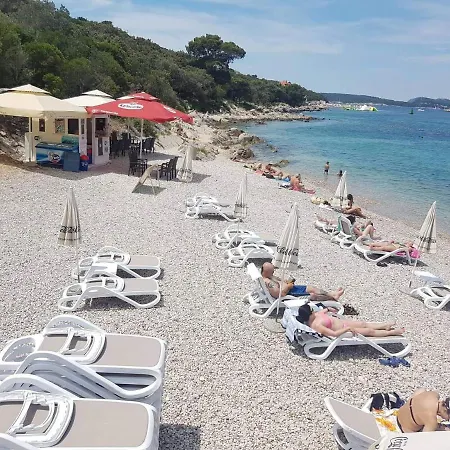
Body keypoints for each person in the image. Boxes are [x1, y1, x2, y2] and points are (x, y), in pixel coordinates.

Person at [296, 303, 405, 338]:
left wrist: (328, 309)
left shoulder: (315, 315)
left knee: (363, 323)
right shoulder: (316, 325)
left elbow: (323, 311)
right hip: (344, 330)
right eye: (311, 310)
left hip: (343, 323)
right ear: (309, 314)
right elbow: (334, 334)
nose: (314, 311)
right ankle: (392, 333)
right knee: (369, 332)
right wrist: (347, 329)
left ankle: (384, 325)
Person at [261, 262, 344, 300]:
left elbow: (280, 282)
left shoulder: (268, 276)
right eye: (272, 271)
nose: (273, 272)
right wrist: (288, 287)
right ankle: (332, 297)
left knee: (311, 287)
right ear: (267, 272)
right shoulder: (268, 282)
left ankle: (331, 294)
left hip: (291, 289)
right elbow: (280, 294)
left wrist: (287, 282)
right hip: (290, 294)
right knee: (313, 294)